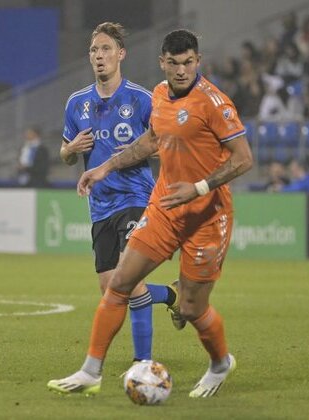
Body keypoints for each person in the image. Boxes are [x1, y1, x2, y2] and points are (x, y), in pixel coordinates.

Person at [48, 29, 253, 398]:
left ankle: (221, 363)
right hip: (164, 207)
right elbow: (151, 141)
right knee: (119, 283)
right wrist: (104, 167)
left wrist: (199, 187)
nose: (180, 70)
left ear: (198, 61)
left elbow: (244, 159)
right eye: (173, 63)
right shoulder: (159, 95)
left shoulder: (214, 102)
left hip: (207, 214)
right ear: (162, 63)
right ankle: (91, 371)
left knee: (192, 307)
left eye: (188, 62)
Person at [49, 22, 182, 395]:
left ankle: (145, 367)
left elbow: (160, 143)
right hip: (100, 207)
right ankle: (173, 296)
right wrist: (69, 149)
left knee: (131, 279)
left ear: (121, 54)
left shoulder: (141, 99)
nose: (100, 57)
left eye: (106, 49)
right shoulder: (77, 103)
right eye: (94, 51)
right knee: (111, 288)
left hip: (137, 200)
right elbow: (65, 156)